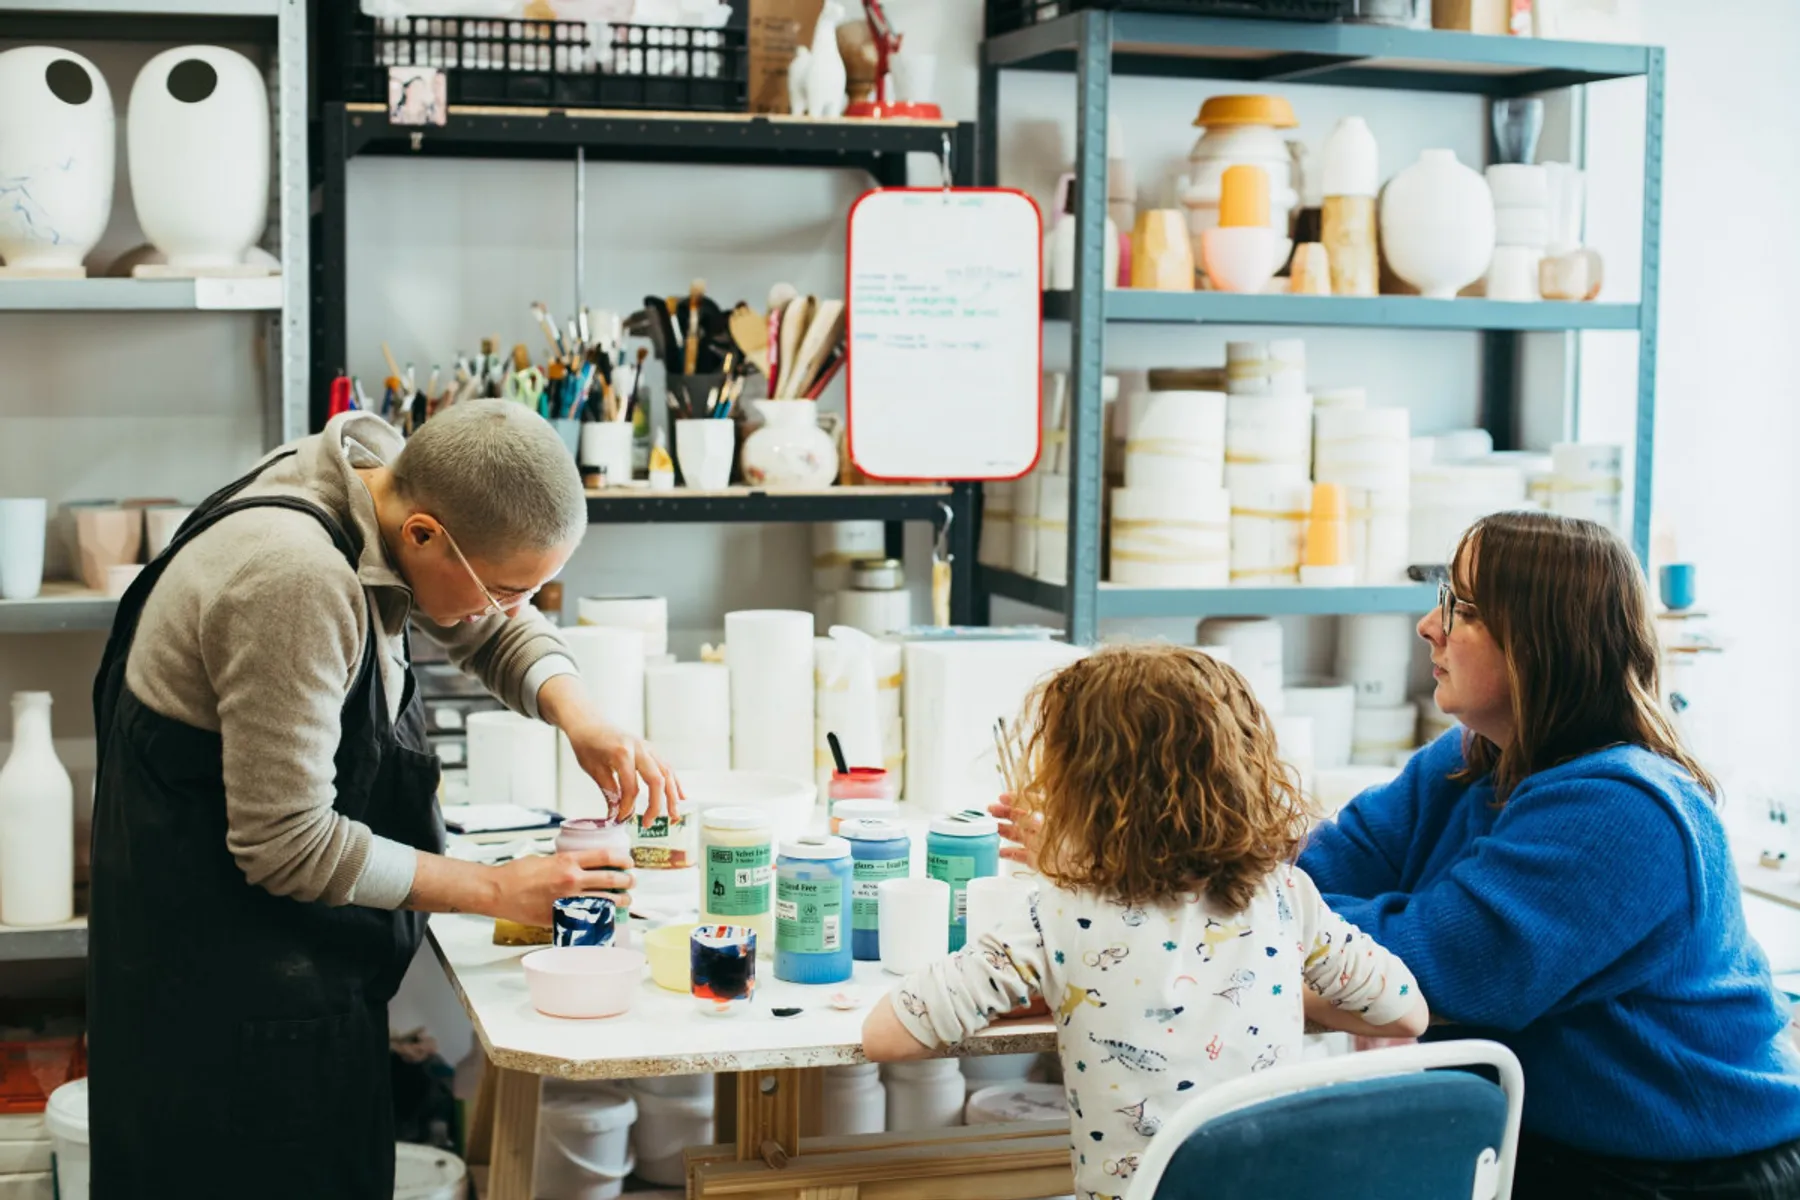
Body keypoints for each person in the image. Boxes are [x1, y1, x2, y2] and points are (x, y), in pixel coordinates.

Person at [87, 401, 680, 1198]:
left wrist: (579, 714)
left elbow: (487, 624)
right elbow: (286, 840)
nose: (510, 609)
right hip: (225, 1012)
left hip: (285, 974)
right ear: (424, 534)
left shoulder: (378, 481)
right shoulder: (294, 580)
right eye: (505, 588)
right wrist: (496, 889)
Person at [1300, 511, 1800, 1197]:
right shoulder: (1468, 761)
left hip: (1687, 1173)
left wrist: (1299, 931)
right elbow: (1304, 883)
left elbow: (1426, 970)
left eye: (1462, 608)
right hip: (1551, 1143)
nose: (1428, 626)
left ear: (1541, 644)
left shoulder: (1625, 811)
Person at [864, 645, 1426, 1198]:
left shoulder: (1057, 912)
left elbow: (885, 1037)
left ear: (1083, 792)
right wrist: (1262, 989)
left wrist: (1068, 879)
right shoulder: (1284, 895)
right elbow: (1406, 1013)